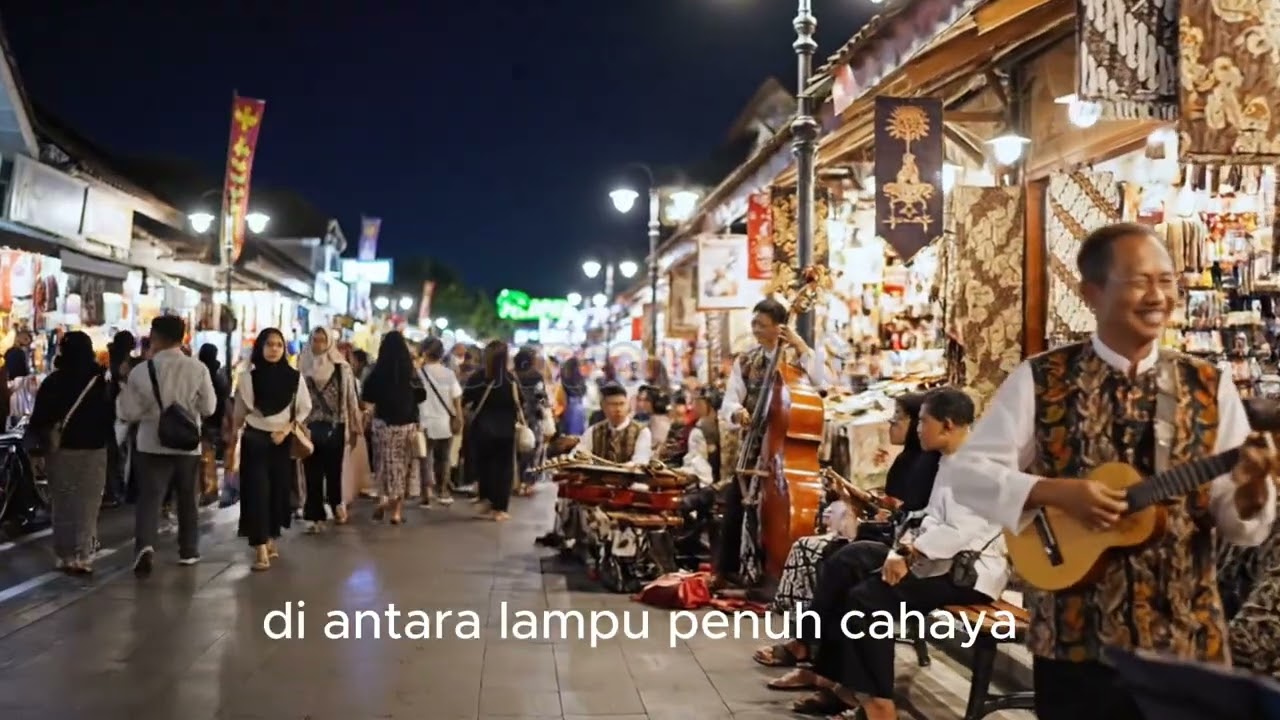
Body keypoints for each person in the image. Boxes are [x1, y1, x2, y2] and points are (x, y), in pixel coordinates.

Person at [938, 223, 1277, 720]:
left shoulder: (1209, 384)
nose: (1158, 295)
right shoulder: (1042, 377)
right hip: (1076, 638)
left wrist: (1252, 491)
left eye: (1166, 280)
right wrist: (1054, 492)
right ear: (1091, 292)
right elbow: (969, 473)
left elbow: (1236, 524)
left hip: (1183, 641)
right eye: (1140, 281)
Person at [784, 388, 1005, 720]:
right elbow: (931, 516)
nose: (918, 429)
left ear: (946, 425)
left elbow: (961, 532)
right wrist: (902, 547)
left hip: (968, 573)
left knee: (868, 598)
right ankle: (832, 678)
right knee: (845, 562)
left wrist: (906, 553)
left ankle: (878, 704)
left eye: (923, 422)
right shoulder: (950, 457)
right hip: (936, 557)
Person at [716, 297, 825, 587]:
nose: (756, 330)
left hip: (783, 449)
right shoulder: (746, 360)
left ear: (780, 327)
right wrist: (737, 413)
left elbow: (823, 383)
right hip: (754, 444)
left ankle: (778, 568)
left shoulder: (800, 359)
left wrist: (801, 347)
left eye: (762, 325)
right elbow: (730, 400)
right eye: (754, 323)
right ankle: (730, 569)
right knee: (737, 503)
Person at [117, 315, 216, 577]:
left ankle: (146, 546)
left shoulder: (140, 371)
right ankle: (188, 550)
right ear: (183, 337)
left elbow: (128, 412)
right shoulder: (198, 369)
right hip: (186, 445)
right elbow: (209, 407)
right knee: (187, 498)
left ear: (156, 337)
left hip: (150, 443)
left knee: (149, 498)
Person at [28, 331, 112, 574]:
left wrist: (37, 448)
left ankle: (64, 555)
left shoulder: (53, 381)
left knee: (63, 502)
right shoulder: (99, 381)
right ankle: (82, 555)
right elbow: (110, 416)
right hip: (94, 450)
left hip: (60, 450)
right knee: (87, 504)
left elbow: (40, 417)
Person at [227, 328, 311, 571]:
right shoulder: (246, 379)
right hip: (255, 440)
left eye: (278, 345)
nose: (274, 349)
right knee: (257, 493)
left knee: (277, 491)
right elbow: (239, 414)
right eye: (269, 344)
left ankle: (272, 537)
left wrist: (286, 430)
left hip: (281, 441)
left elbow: (304, 408)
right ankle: (260, 547)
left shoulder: (295, 378)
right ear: (260, 348)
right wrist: (233, 439)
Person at [298, 328, 361, 530]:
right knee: (312, 472)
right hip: (309, 427)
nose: (318, 344)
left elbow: (351, 398)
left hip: (336, 425)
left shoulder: (342, 368)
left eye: (322, 340)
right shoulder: (303, 365)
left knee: (334, 470)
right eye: (315, 340)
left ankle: (336, 504)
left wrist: (355, 426)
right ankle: (315, 515)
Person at [362, 332, 425, 524]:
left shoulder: (377, 370)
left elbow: (367, 396)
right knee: (402, 467)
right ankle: (396, 512)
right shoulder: (411, 371)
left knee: (383, 464)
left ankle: (382, 498)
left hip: (383, 424)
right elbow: (422, 396)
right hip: (406, 425)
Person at [462, 341, 522, 522]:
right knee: (504, 469)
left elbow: (465, 400)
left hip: (482, 429)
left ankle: (486, 499)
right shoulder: (511, 380)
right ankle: (500, 508)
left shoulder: (478, 378)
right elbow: (520, 405)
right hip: (505, 430)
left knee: (485, 465)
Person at [417, 337, 462, 507]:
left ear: (425, 352)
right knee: (443, 459)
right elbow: (456, 399)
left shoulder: (419, 374)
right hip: (445, 422)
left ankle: (426, 493)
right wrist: (459, 418)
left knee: (425, 458)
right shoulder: (449, 374)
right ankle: (442, 491)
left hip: (425, 422)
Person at [196, 343, 230, 506]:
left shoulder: (200, 371)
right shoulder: (219, 372)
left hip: (205, 418)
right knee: (208, 455)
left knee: (206, 456)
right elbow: (225, 394)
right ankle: (210, 489)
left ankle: (209, 490)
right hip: (218, 418)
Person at [512, 346, 547, 496]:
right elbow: (541, 396)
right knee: (531, 449)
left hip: (515, 416)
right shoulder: (536, 376)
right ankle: (527, 483)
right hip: (532, 416)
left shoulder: (512, 375)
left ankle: (516, 481)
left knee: (516, 449)